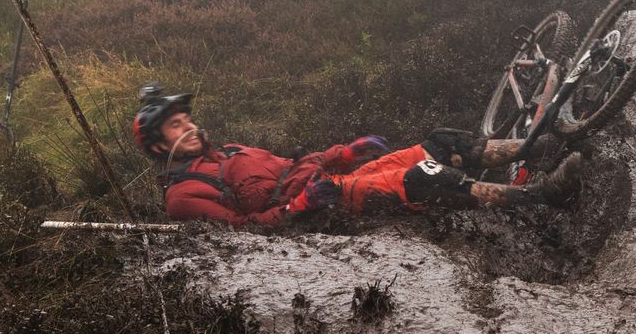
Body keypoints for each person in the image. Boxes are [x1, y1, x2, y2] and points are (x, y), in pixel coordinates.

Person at [132, 83, 583, 227]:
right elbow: (241, 231)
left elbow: (296, 165)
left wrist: (343, 152)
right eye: (176, 125)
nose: (189, 126)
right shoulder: (184, 197)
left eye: (187, 119)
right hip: (324, 207)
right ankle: (544, 196)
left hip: (331, 182)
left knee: (441, 142)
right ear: (157, 145)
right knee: (426, 175)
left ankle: (537, 146)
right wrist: (296, 208)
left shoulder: (231, 150)